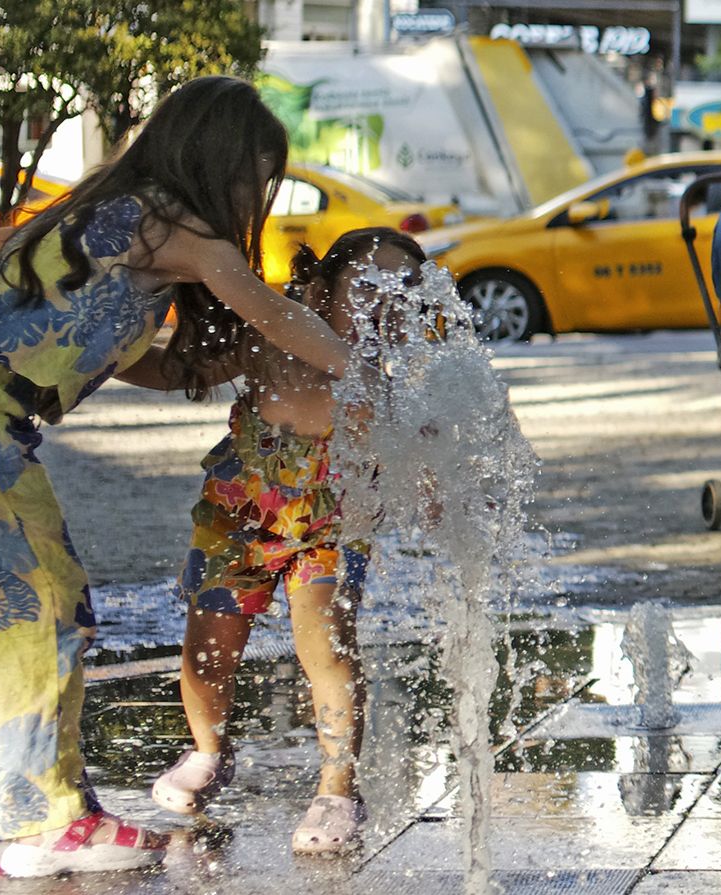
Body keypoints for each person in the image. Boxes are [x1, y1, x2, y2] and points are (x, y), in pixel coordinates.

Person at [0, 75, 363, 878]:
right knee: (36, 602)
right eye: (255, 178)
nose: (253, 196)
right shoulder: (184, 232)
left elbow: (139, 362)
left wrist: (219, 362)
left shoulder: (103, 215)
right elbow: (274, 310)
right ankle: (51, 820)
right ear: (222, 163)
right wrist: (362, 367)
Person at [149, 228, 430, 855]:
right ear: (322, 287)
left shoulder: (381, 378)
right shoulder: (268, 335)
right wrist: (95, 360)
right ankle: (208, 751)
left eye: (401, 292)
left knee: (325, 640)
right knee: (207, 648)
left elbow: (426, 451)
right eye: (368, 287)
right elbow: (179, 371)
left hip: (332, 526)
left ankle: (337, 789)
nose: (384, 304)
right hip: (240, 515)